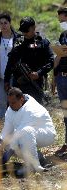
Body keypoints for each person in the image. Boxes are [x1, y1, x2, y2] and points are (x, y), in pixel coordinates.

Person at [0, 87, 56, 173]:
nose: (10, 105)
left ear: (21, 99)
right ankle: (39, 156)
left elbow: (20, 134)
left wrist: (6, 156)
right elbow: (6, 130)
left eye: (13, 103)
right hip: (27, 133)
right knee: (6, 142)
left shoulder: (31, 109)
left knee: (24, 133)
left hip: (46, 135)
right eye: (9, 102)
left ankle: (33, 166)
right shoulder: (11, 108)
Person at [4, 17, 54, 104]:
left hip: (35, 82)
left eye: (26, 30)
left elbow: (51, 61)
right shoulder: (18, 42)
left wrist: (39, 73)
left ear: (33, 28)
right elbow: (11, 62)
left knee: (35, 110)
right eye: (23, 31)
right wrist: (6, 80)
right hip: (19, 83)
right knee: (16, 109)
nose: (24, 33)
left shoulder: (42, 42)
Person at [0, 13, 20, 120]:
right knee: (1, 101)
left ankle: (13, 124)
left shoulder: (17, 38)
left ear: (10, 23)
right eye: (1, 23)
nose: (3, 25)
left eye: (5, 23)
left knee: (13, 100)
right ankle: (1, 125)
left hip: (13, 75)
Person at [54, 7, 67, 156]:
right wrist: (54, 76)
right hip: (62, 77)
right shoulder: (63, 35)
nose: (61, 23)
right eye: (60, 21)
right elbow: (58, 56)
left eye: (63, 20)